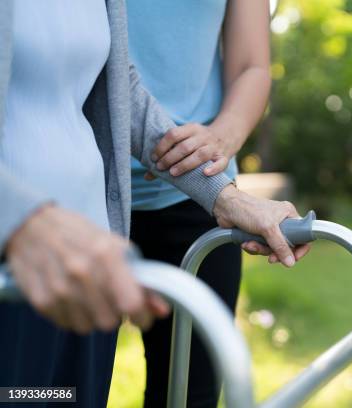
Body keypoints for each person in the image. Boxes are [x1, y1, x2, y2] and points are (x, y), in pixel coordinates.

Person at [0, 1, 308, 407]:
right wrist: (23, 221)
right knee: (23, 396)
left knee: (78, 396)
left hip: (102, 228)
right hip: (28, 250)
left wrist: (221, 191)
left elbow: (117, 87)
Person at [125, 0, 273, 406]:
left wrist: (219, 140)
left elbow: (252, 65)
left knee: (190, 395)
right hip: (81, 189)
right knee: (51, 389)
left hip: (200, 194)